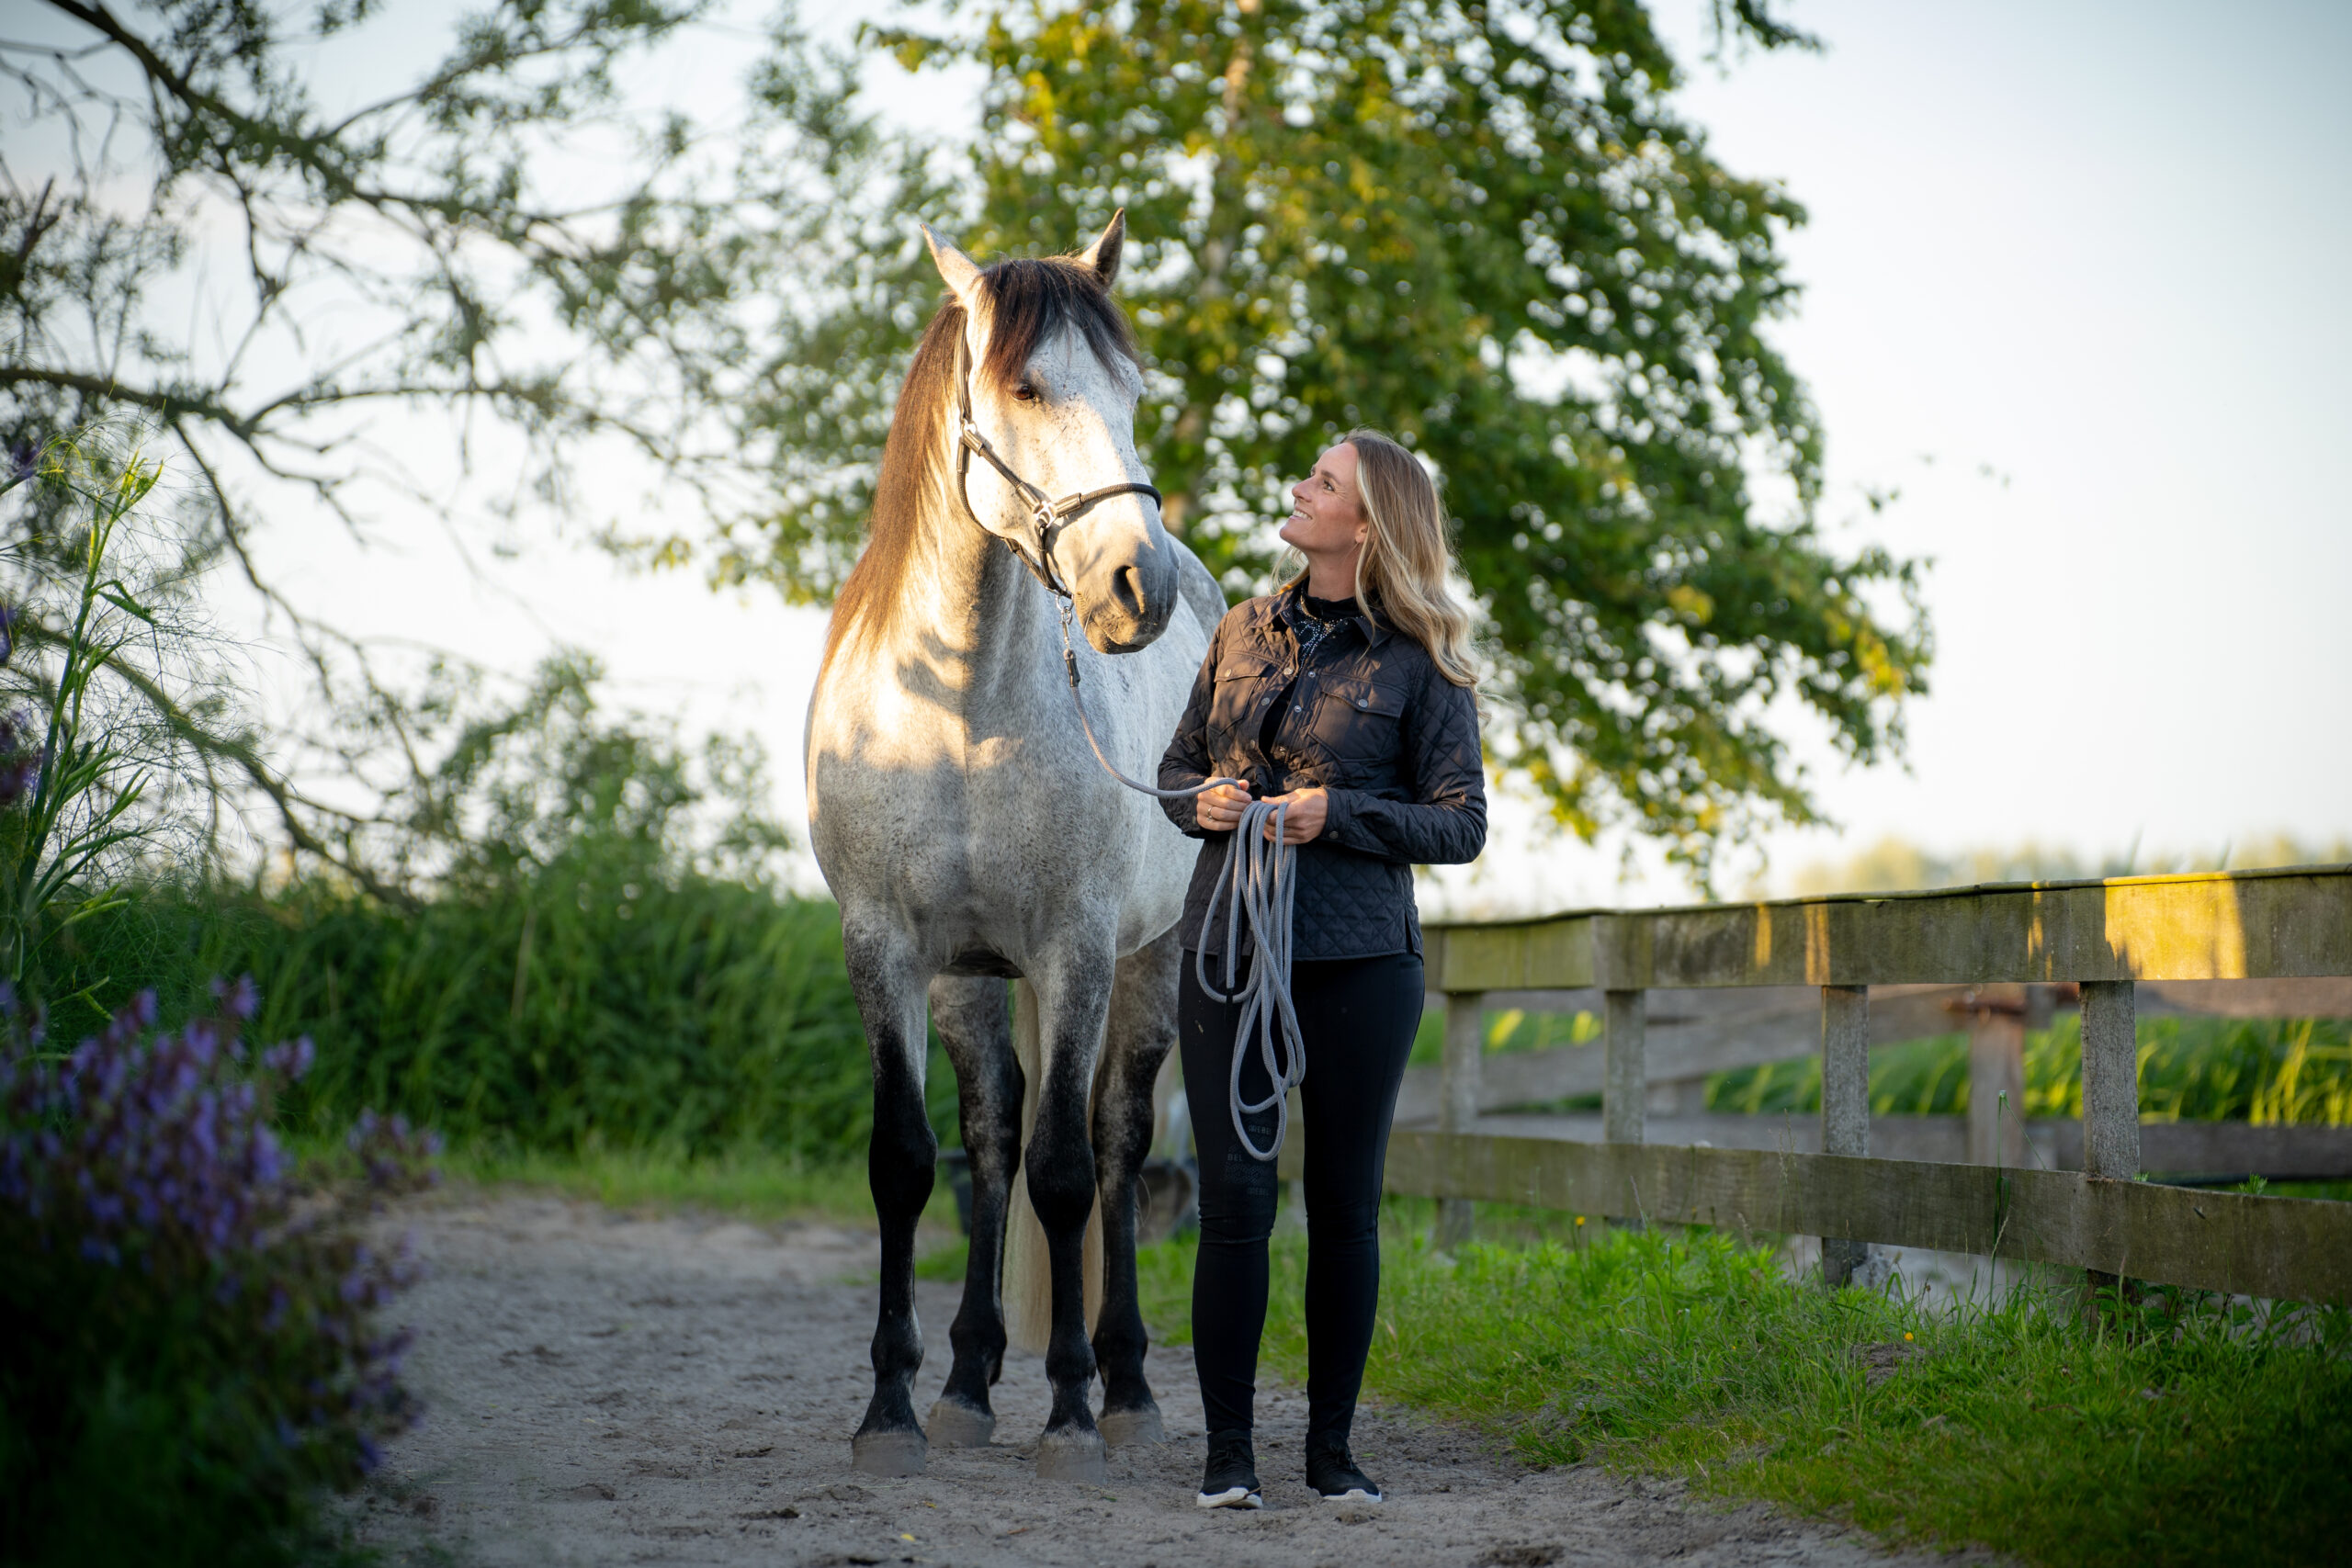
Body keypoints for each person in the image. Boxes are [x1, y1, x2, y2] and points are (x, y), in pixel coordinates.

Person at [1157, 429, 1487, 1509]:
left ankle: (1333, 1454)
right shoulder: (1242, 626)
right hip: (1227, 951)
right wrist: (1199, 800)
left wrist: (1334, 815)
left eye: (1323, 482)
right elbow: (1171, 769)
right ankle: (1228, 1457)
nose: (1299, 490)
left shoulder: (1422, 659)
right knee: (1236, 1206)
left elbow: (1460, 828)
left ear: (1367, 522)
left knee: (1345, 1210)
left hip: (1359, 966)